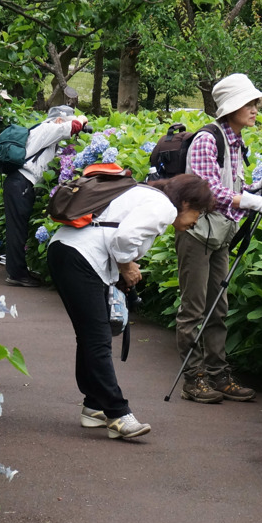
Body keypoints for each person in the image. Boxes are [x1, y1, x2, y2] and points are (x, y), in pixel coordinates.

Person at [47, 169, 215, 439]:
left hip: (68, 252)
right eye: (199, 214)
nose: (196, 222)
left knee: (91, 337)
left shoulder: (147, 195)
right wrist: (126, 266)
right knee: (97, 340)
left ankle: (94, 407)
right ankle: (117, 413)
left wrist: (124, 266)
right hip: (80, 259)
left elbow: (116, 234)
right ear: (185, 203)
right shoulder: (163, 207)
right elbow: (123, 240)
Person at [175, 73, 262, 404]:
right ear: (231, 107)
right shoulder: (207, 140)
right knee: (194, 309)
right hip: (196, 233)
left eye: (255, 103)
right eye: (249, 103)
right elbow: (210, 191)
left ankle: (217, 373)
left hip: (220, 234)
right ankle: (193, 379)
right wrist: (256, 202)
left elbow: (233, 191)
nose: (254, 109)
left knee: (218, 308)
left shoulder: (237, 142)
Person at [4, 105, 89, 287]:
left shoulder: (42, 131)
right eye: (65, 121)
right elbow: (72, 127)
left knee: (18, 227)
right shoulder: (49, 128)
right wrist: (81, 120)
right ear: (59, 119)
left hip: (18, 181)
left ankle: (19, 271)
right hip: (21, 182)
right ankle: (17, 275)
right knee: (17, 230)